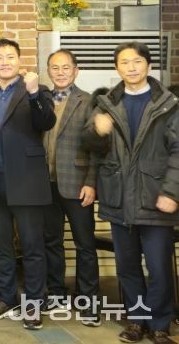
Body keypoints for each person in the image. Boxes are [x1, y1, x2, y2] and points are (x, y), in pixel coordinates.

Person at [82, 42, 179, 344]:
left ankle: (160, 324)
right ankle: (137, 321)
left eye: (137, 61)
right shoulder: (105, 103)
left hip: (155, 198)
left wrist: (172, 192)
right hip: (119, 198)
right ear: (117, 67)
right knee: (127, 267)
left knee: (159, 267)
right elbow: (92, 147)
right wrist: (96, 131)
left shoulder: (169, 104)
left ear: (148, 65)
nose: (131, 67)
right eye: (124, 62)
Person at [0, 38, 56, 330]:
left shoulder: (36, 89)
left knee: (32, 246)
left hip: (26, 179)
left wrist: (34, 93)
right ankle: (5, 298)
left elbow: (46, 122)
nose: (4, 62)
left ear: (19, 60)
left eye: (10, 57)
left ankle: (34, 303)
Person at [41, 49, 100, 326]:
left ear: (76, 71)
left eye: (66, 67)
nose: (60, 72)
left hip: (77, 184)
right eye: (55, 68)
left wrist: (91, 183)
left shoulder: (88, 102)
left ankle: (89, 302)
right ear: (48, 71)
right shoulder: (41, 100)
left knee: (84, 244)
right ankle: (56, 294)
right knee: (51, 242)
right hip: (45, 184)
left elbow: (98, 148)